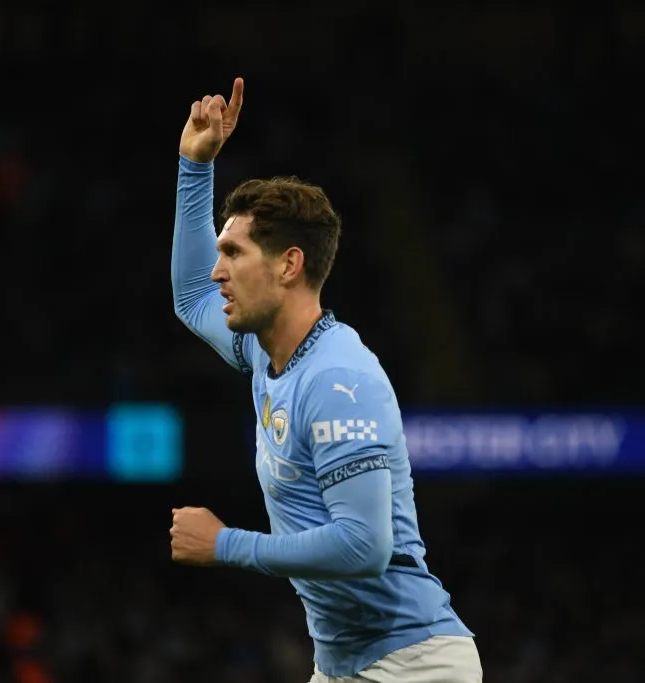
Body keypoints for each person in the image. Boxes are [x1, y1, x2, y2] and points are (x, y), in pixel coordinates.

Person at [168, 77, 482, 683]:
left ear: (289, 264)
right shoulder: (262, 352)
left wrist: (227, 543)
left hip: (413, 667)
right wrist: (194, 165)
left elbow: (364, 547)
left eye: (234, 254)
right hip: (346, 665)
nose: (218, 269)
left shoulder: (339, 378)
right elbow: (190, 296)